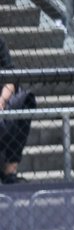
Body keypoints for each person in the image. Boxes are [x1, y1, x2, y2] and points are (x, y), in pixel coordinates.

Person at [0, 35, 35, 185]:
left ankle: (9, 171)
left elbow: (11, 77)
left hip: (1, 103)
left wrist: (1, 101)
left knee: (25, 100)